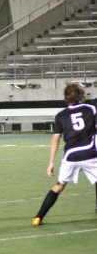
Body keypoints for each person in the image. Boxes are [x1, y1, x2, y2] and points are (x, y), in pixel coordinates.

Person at [32, 82, 97, 226]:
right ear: (81, 95)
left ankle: (38, 217)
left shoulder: (61, 115)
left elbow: (56, 138)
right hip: (90, 153)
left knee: (59, 186)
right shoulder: (90, 108)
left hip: (71, 156)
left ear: (66, 97)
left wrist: (51, 163)